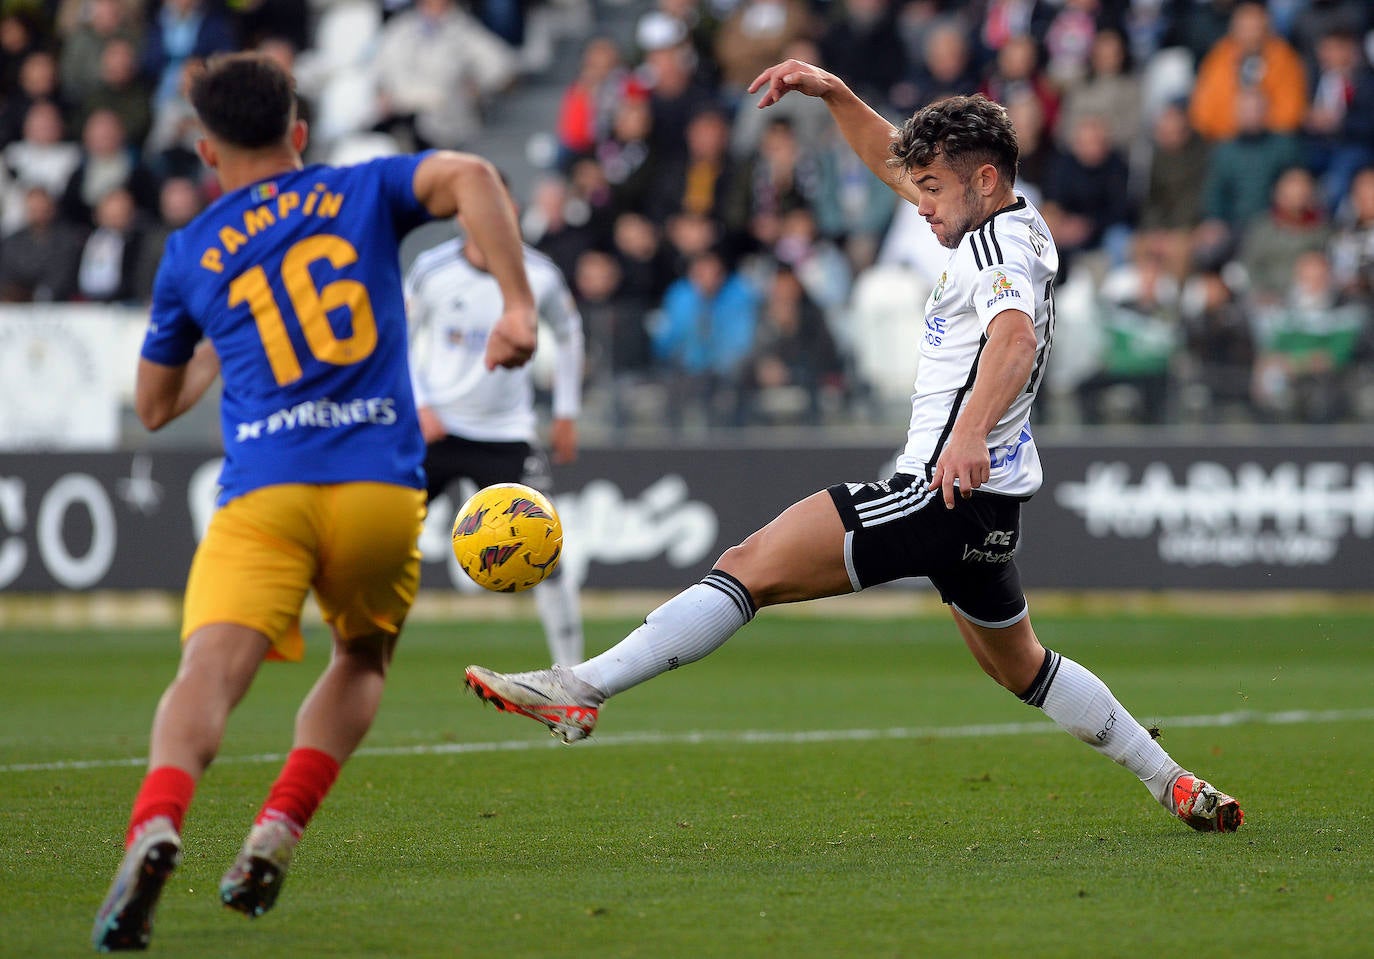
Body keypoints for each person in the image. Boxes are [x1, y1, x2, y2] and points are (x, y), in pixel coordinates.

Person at [463, 61, 1246, 837]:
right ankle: (1172, 779)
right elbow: (893, 164)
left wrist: (969, 431)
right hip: (990, 505)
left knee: (748, 564)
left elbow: (1013, 340)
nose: (919, 203)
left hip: (944, 489)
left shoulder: (992, 252)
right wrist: (837, 93)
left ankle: (582, 687)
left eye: (933, 189)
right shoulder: (1011, 222)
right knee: (1024, 667)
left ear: (981, 178)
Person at [91, 52, 537, 952]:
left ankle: (155, 824)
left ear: (207, 152)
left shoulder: (190, 252)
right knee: (362, 659)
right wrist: (516, 306)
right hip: (378, 488)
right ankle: (279, 826)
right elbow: (475, 175)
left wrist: (222, 336)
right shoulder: (362, 190)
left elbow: (152, 405)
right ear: (298, 132)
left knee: (206, 678)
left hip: (267, 489)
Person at [406, 192, 587, 666]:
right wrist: (420, 406)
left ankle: (570, 677)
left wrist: (566, 411)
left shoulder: (540, 274)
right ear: (462, 215)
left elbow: (569, 333)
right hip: (437, 430)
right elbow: (396, 339)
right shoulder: (431, 269)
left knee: (546, 556)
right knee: (388, 545)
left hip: (507, 434)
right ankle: (362, 652)